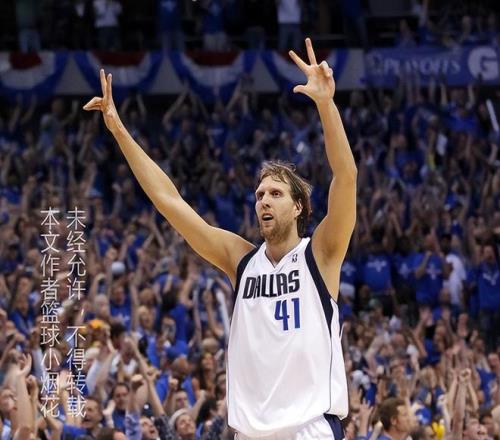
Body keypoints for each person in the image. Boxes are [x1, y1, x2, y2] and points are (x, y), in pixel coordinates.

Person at [83, 37, 357, 439]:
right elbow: (169, 202)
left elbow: (346, 177)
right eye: (259, 195)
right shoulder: (241, 260)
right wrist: (119, 130)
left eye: (275, 193)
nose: (263, 200)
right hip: (250, 432)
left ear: (299, 206)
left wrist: (326, 105)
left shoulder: (321, 254)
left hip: (309, 428)